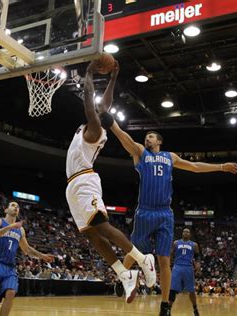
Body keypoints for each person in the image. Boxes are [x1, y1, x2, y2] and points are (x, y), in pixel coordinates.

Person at [108, 119, 237, 315]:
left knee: (164, 259)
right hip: (144, 211)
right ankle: (122, 278)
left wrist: (221, 166)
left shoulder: (170, 156)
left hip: (164, 213)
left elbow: (194, 167)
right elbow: (123, 137)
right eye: (146, 137)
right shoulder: (140, 153)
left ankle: (165, 305)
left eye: (150, 136)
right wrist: (111, 124)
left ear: (159, 141)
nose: (147, 138)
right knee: (135, 252)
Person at [65, 60, 156, 304]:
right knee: (91, 235)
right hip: (72, 186)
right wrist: (114, 77)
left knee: (102, 227)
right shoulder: (93, 126)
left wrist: (88, 75)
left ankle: (142, 258)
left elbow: (89, 102)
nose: (96, 111)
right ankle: (123, 273)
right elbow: (104, 105)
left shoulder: (94, 130)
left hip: (85, 181)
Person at [0, 202, 53, 316]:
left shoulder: (20, 230)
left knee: (11, 293)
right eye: (13, 205)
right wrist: (9, 227)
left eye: (18, 206)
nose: (16, 207)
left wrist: (42, 256)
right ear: (6, 210)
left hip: (10, 267)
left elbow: (26, 249)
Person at [169, 228, 201, 316]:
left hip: (188, 267)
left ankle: (195, 309)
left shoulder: (194, 245)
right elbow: (171, 254)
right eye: (184, 231)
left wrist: (198, 264)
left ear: (190, 234)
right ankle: (168, 309)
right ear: (182, 233)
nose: (186, 233)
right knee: (172, 289)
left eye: (187, 232)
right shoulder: (176, 243)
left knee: (191, 290)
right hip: (177, 266)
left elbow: (197, 256)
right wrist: (169, 265)